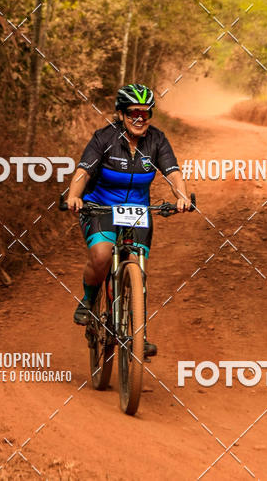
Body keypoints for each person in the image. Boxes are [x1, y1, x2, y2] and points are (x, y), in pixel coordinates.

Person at [66, 82, 191, 358]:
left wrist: (181, 196)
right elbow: (84, 171)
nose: (139, 119)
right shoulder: (103, 139)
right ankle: (88, 300)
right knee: (101, 255)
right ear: (121, 114)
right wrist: (74, 196)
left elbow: (173, 172)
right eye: (133, 112)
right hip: (100, 207)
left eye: (145, 114)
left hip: (138, 211)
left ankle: (138, 335)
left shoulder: (157, 140)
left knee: (137, 269)